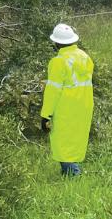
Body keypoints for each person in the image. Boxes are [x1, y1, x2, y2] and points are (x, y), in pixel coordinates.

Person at [40, 22, 94, 176]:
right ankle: (70, 175)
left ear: (56, 43)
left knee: (63, 143)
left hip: (66, 109)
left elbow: (52, 91)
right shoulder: (85, 57)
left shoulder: (58, 62)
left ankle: (73, 176)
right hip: (84, 107)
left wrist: (45, 115)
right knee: (75, 141)